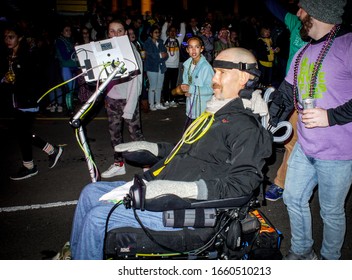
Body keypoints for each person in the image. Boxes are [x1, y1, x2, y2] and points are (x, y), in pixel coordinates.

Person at [69, 47, 273, 259]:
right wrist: (153, 148)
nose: (214, 78)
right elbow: (185, 149)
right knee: (89, 193)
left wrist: (182, 190)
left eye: (221, 72)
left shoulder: (246, 127)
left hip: (186, 208)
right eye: (215, 71)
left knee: (97, 218)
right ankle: (76, 256)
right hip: (163, 186)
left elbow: (242, 185)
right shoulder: (217, 112)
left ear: (243, 77)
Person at [268, 0, 352, 260]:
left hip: (340, 152)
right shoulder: (303, 53)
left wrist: (331, 116)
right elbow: (286, 95)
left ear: (318, 12)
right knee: (292, 198)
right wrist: (264, 117)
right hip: (306, 146)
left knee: (331, 212)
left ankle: (328, 261)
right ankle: (301, 253)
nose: (297, 14)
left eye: (302, 9)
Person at [1, 23, 63, 180]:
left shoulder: (26, 56)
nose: (7, 40)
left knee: (22, 133)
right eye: (5, 37)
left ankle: (30, 166)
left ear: (19, 38)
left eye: (11, 37)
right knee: (22, 132)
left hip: (27, 101)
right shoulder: (9, 56)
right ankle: (51, 151)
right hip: (16, 101)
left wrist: (15, 80)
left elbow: (33, 79)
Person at [262, 0, 307, 201]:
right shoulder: (297, 24)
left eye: (303, 8)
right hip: (290, 92)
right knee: (288, 138)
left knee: (299, 142)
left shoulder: (332, 36)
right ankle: (281, 181)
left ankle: (286, 182)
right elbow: (274, 6)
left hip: (312, 97)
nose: (297, 12)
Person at [100, 20, 145, 179]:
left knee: (135, 136)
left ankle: (147, 166)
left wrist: (130, 106)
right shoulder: (106, 50)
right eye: (112, 31)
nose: (116, 34)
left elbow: (137, 82)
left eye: (120, 31)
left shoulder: (132, 51)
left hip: (128, 100)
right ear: (108, 33)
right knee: (115, 135)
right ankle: (119, 164)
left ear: (125, 33)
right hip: (112, 99)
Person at [176, 36, 214, 129]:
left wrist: (191, 89)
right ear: (187, 50)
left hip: (202, 110)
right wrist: (186, 91)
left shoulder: (206, 67)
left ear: (201, 49)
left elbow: (211, 89)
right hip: (191, 108)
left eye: (197, 47)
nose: (193, 50)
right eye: (190, 47)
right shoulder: (187, 64)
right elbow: (187, 82)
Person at [161, 19, 186, 108]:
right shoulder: (165, 39)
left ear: (176, 32)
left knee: (174, 84)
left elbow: (183, 32)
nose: (172, 32)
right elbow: (163, 31)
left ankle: (172, 99)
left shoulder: (178, 40)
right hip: (166, 66)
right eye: (171, 31)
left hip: (175, 66)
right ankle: (166, 100)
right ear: (168, 32)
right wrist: (167, 22)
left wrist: (182, 23)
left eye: (174, 31)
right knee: (166, 84)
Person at [143, 25, 169, 111]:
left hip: (161, 67)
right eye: (156, 32)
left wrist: (161, 56)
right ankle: (151, 104)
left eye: (159, 32)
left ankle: (158, 103)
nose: (158, 34)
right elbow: (150, 55)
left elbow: (166, 55)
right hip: (151, 67)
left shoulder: (160, 42)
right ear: (151, 33)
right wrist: (160, 55)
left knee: (159, 86)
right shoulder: (147, 43)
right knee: (153, 86)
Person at [54, 23, 78, 115]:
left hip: (72, 67)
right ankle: (69, 110)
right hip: (66, 67)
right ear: (62, 32)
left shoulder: (69, 40)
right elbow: (65, 56)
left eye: (69, 30)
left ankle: (70, 107)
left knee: (71, 88)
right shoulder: (60, 41)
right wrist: (74, 48)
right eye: (66, 30)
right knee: (69, 89)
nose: (69, 32)